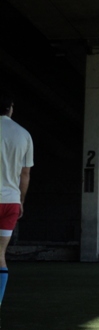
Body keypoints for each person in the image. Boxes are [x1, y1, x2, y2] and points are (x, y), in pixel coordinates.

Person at [0, 92, 34, 318]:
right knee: (0, 254)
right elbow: (25, 174)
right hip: (11, 201)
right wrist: (21, 200)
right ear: (10, 108)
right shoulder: (24, 134)